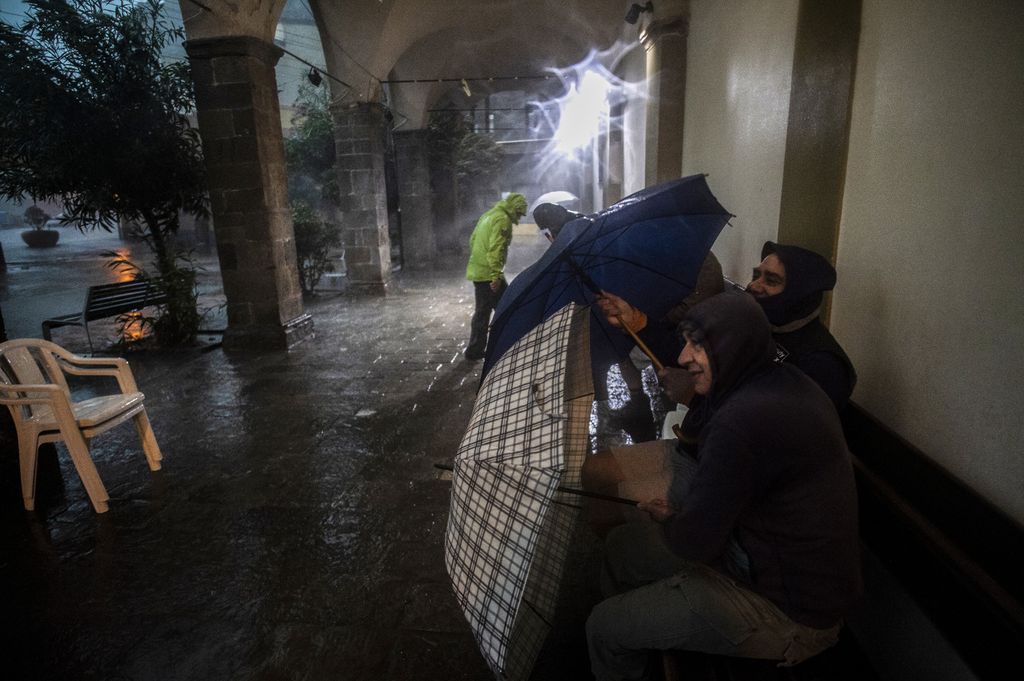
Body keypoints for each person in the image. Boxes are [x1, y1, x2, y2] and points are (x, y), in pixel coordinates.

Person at [585, 292, 862, 680]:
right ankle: (644, 642)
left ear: (733, 348)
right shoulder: (773, 378)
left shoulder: (742, 420)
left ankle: (631, 637)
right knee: (620, 548)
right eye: (686, 343)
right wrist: (679, 518)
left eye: (698, 346)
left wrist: (676, 520)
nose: (683, 357)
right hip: (758, 557)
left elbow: (693, 543)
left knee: (603, 626)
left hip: (789, 610)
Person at [747, 241, 856, 410]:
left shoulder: (822, 363)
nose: (753, 285)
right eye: (756, 276)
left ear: (798, 294)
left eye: (771, 280)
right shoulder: (761, 327)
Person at [463, 193, 528, 360]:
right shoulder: (503, 220)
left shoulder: (489, 215)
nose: (519, 218)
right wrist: (496, 276)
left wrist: (480, 261)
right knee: (506, 308)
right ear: (515, 209)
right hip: (488, 274)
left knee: (484, 311)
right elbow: (496, 249)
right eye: (520, 213)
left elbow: (472, 240)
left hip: (479, 270)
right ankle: (508, 345)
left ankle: (476, 349)